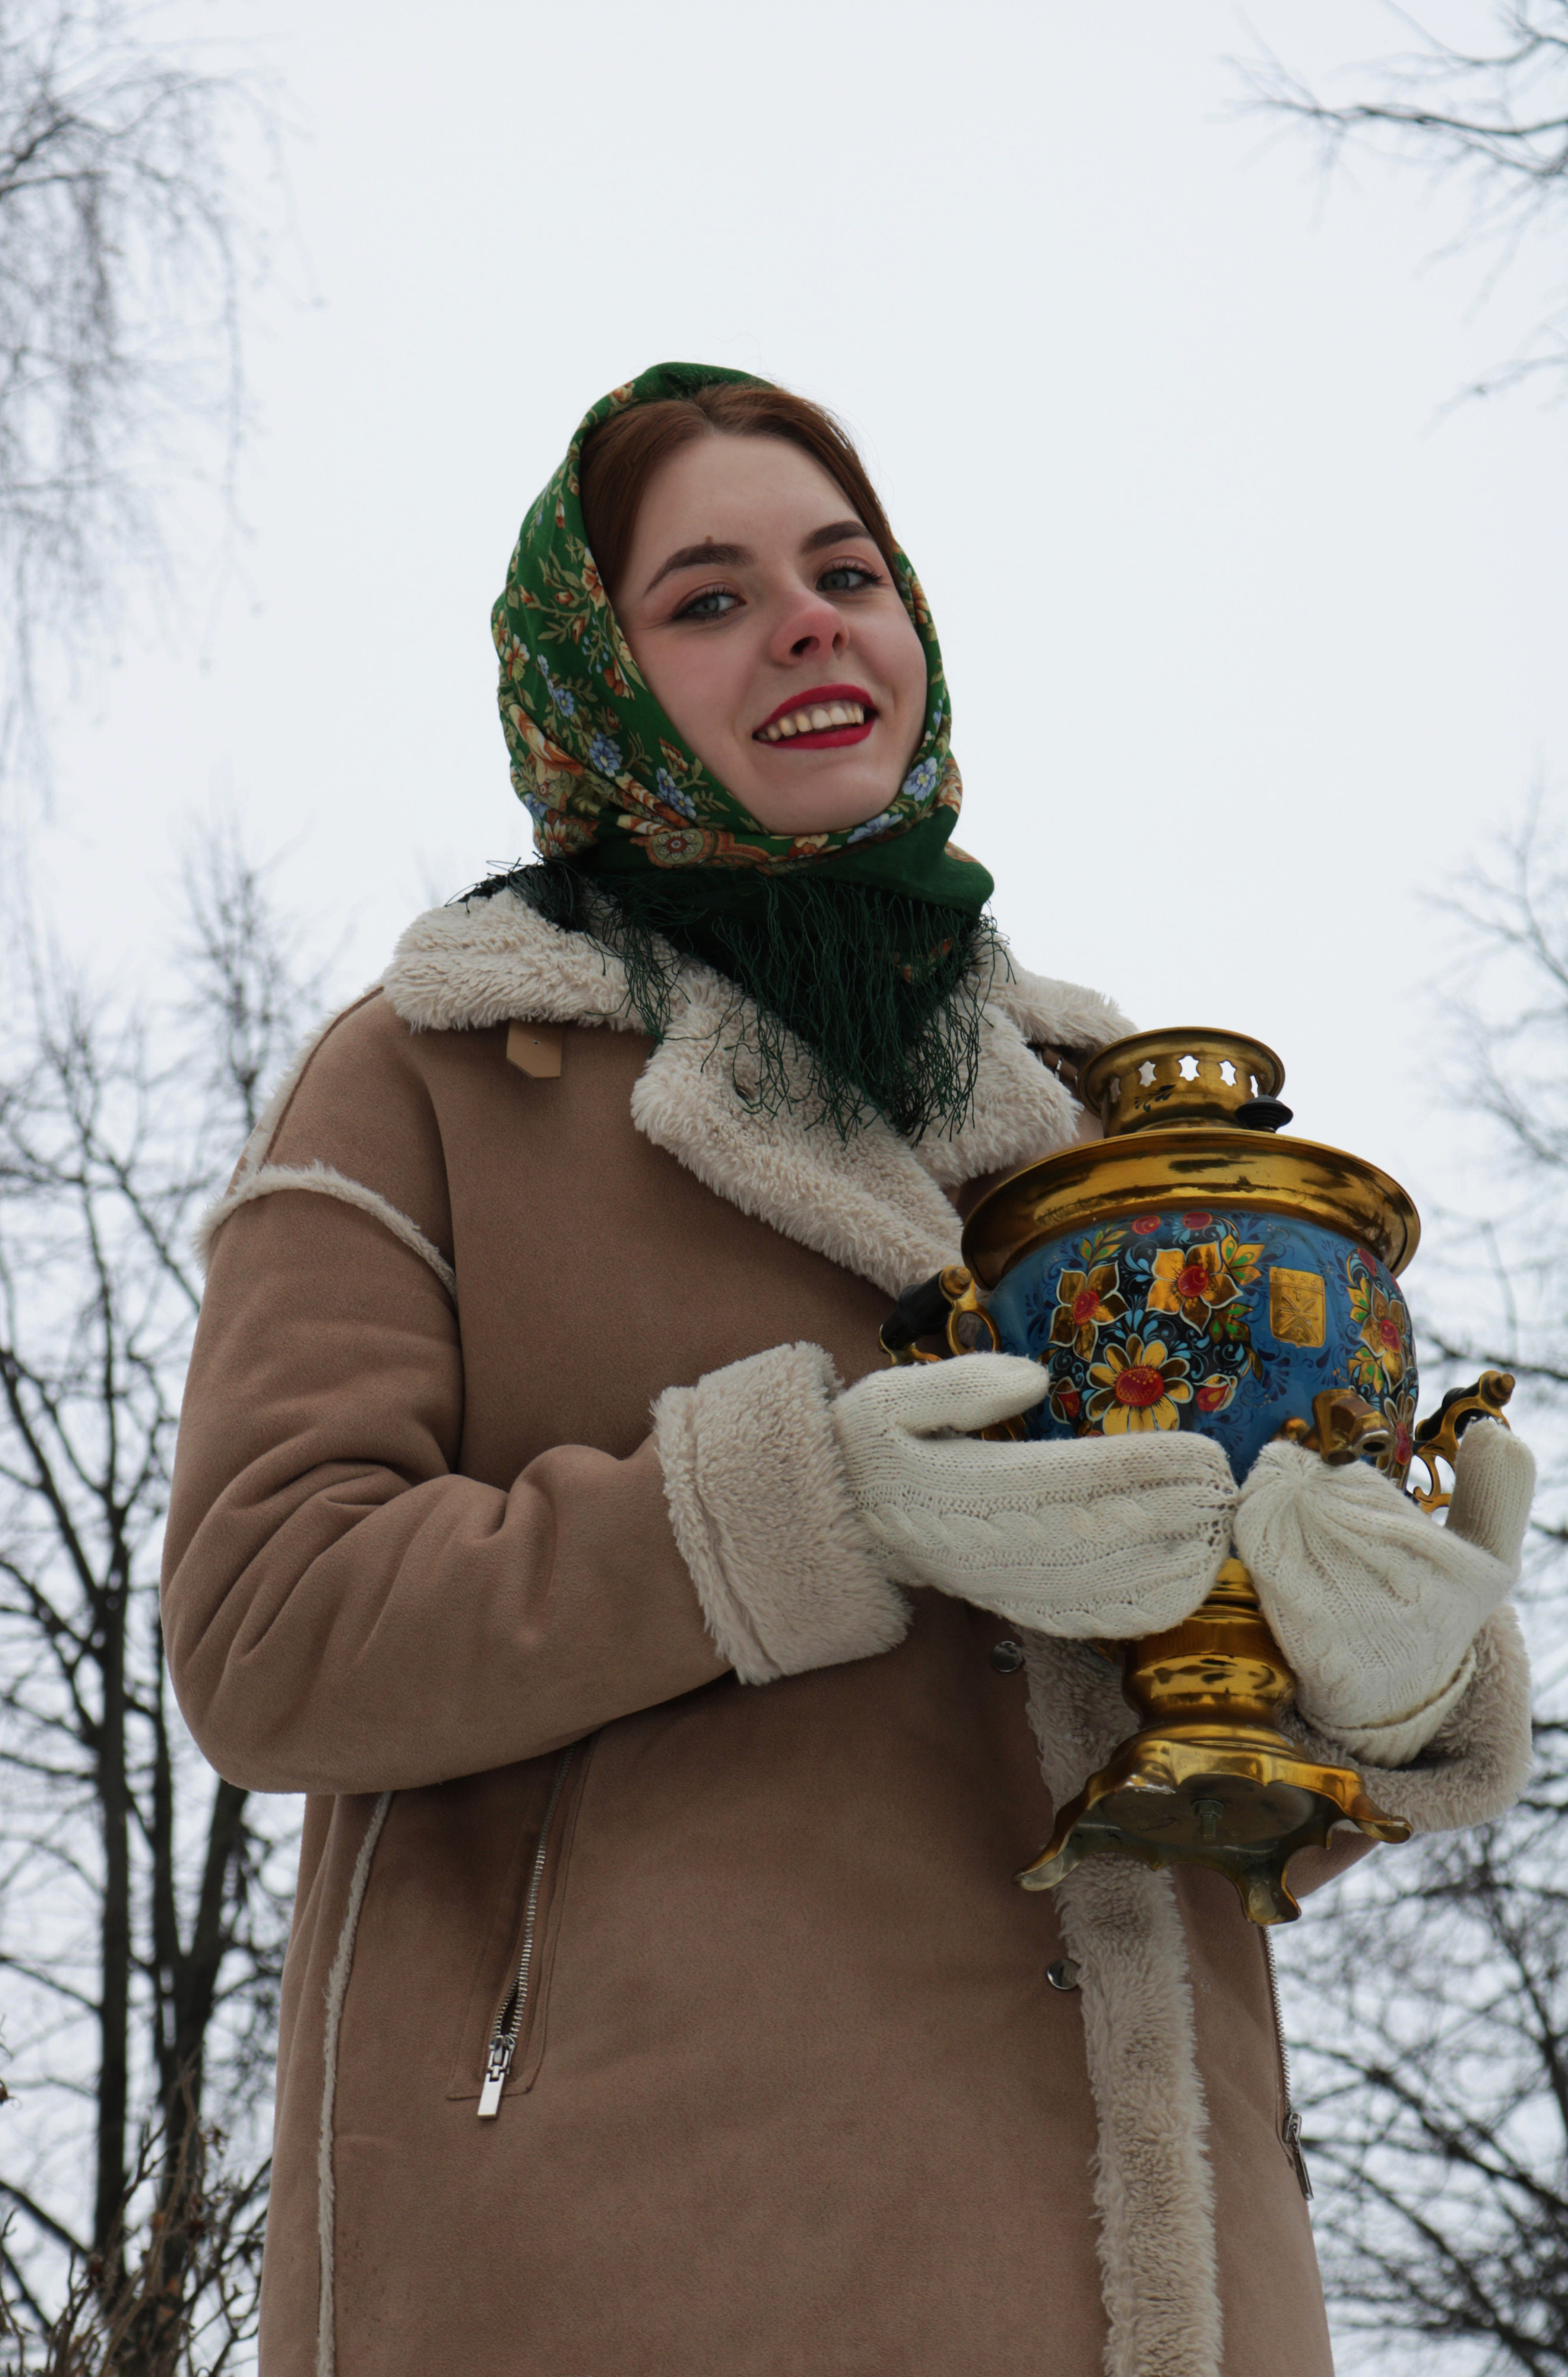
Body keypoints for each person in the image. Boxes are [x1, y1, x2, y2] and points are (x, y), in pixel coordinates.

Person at [162, 362, 1535, 2377]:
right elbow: (268, 1626)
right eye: (706, 598)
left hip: (1172, 2284)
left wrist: (1379, 1670)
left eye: (847, 571)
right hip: (637, 2252)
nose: (808, 621)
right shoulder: (435, 1070)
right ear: (590, 680)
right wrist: (809, 1506)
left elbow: (1212, 1780)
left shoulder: (1096, 1139)